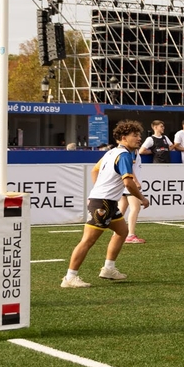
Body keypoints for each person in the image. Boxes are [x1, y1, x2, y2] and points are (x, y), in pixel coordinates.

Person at [61, 120, 151, 287]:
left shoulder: (111, 152)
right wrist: (142, 198)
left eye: (139, 135)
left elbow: (95, 170)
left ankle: (108, 269)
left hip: (107, 202)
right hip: (102, 203)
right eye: (135, 135)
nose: (139, 138)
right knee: (88, 241)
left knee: (122, 231)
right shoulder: (123, 155)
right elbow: (128, 184)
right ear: (123, 138)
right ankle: (69, 277)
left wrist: (99, 189)